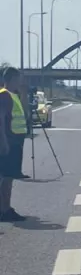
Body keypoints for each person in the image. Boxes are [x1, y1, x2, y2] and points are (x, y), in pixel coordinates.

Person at [0, 67, 29, 221]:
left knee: (9, 177)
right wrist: (3, 141)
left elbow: (25, 113)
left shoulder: (13, 95)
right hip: (8, 142)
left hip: (15, 141)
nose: (20, 82)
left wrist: (24, 94)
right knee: (6, 178)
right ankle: (5, 210)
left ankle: (5, 208)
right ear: (11, 79)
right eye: (18, 79)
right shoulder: (4, 95)